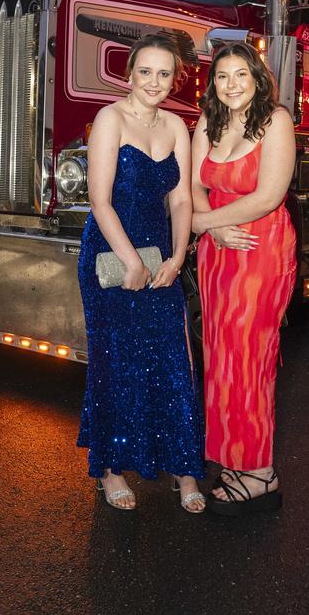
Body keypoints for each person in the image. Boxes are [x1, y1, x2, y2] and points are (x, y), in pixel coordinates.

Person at [77, 33, 206, 513]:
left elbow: (181, 198)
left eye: (164, 73)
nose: (154, 81)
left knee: (172, 361)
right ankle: (110, 469)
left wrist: (177, 258)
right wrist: (131, 259)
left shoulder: (177, 126)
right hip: (111, 256)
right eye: (145, 71)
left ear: (176, 79)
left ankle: (184, 468)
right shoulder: (110, 120)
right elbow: (100, 201)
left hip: (161, 260)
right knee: (117, 362)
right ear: (129, 74)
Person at [191, 41, 296, 516]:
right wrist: (204, 225)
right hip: (217, 253)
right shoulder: (206, 123)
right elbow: (194, 187)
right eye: (221, 76)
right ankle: (233, 461)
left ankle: (260, 472)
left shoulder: (276, 121)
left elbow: (269, 196)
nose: (230, 85)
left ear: (257, 78)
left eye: (240, 75)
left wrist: (204, 223)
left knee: (250, 355)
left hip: (262, 249)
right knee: (221, 355)